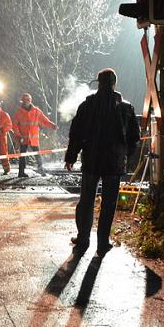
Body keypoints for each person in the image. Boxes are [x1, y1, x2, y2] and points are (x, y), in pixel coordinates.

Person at [65, 69, 140, 256]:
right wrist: (126, 156)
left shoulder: (87, 105)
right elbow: (134, 137)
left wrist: (71, 156)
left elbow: (76, 133)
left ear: (98, 83)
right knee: (109, 203)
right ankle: (102, 242)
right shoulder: (126, 108)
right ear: (115, 83)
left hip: (91, 160)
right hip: (114, 164)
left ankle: (83, 239)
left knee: (86, 201)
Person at [13, 92, 57, 177]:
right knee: (22, 155)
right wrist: (18, 135)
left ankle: (41, 170)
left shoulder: (36, 111)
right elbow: (14, 125)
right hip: (23, 138)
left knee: (37, 154)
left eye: (27, 100)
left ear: (30, 101)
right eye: (24, 100)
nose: (26, 102)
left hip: (33, 138)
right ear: (22, 101)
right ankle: (21, 172)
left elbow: (44, 121)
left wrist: (52, 125)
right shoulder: (19, 112)